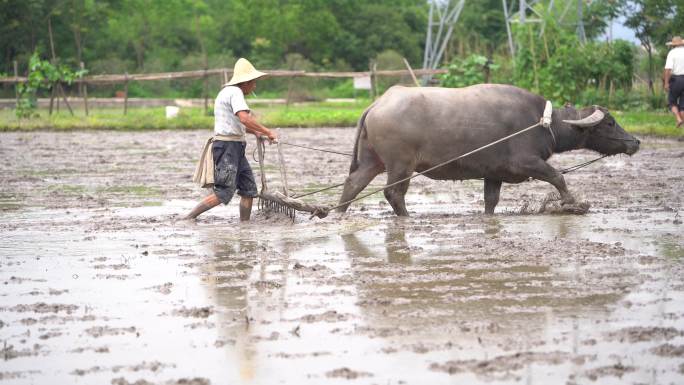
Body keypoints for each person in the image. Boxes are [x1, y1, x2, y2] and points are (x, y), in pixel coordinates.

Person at [185, 58, 277, 221]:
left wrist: (255, 133)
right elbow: (244, 118)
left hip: (234, 146)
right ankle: (188, 217)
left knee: (249, 190)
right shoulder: (236, 93)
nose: (254, 86)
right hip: (228, 148)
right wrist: (267, 131)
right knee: (224, 192)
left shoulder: (227, 92)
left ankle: (245, 226)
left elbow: (234, 123)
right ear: (246, 82)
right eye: (253, 82)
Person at [664, 36, 684, 128]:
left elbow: (668, 69)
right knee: (683, 106)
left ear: (673, 45)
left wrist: (666, 83)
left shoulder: (672, 53)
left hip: (676, 80)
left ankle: (679, 119)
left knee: (672, 102)